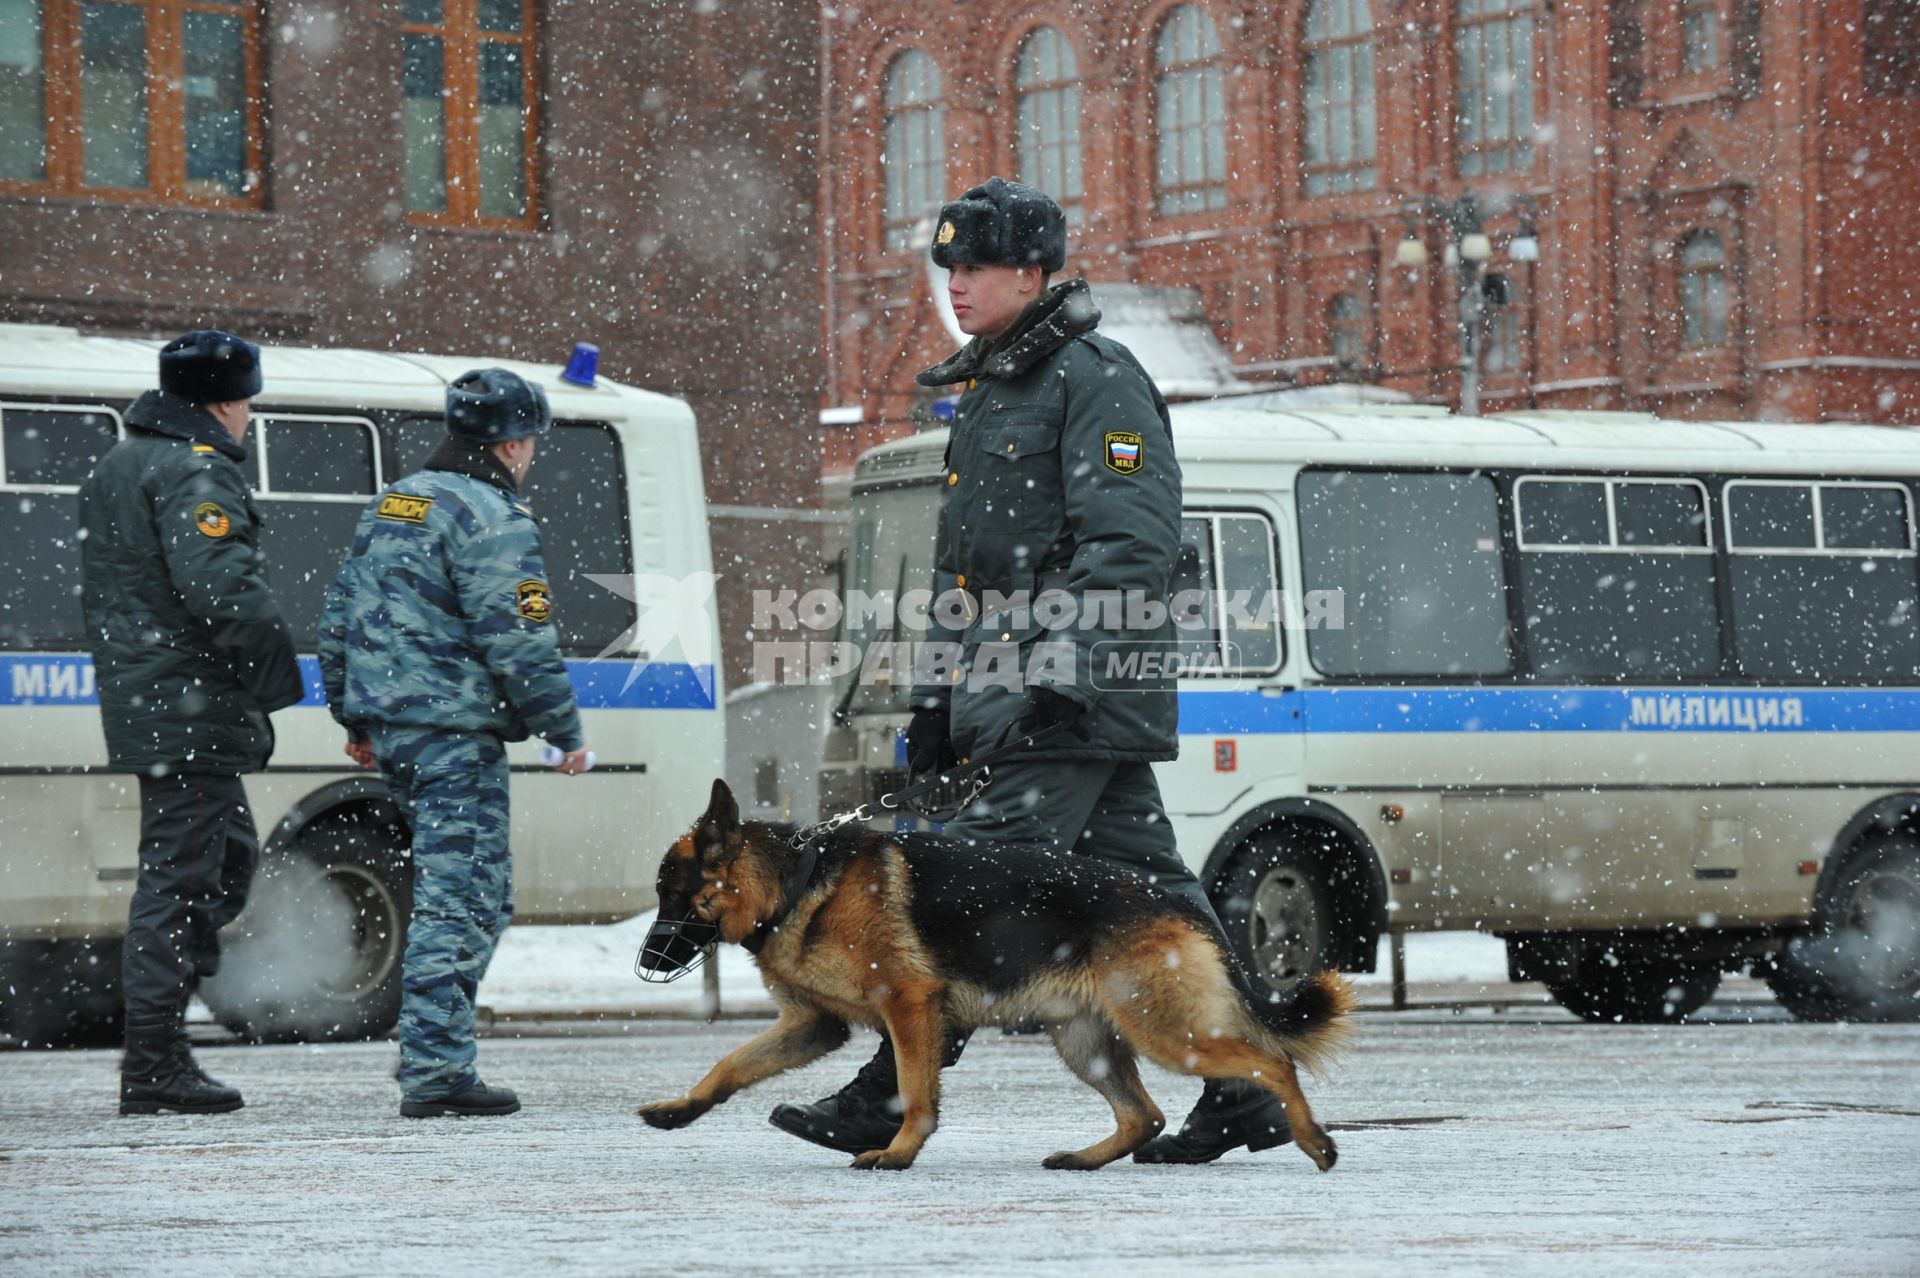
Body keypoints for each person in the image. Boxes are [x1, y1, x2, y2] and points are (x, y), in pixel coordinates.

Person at [767, 176, 1292, 1164]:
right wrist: (935, 697)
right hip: (1021, 693)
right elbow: (970, 574)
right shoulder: (993, 390)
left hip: (1069, 693)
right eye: (948, 267)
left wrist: (1066, 661)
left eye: (976, 266)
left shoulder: (1096, 378)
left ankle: (889, 1095)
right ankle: (1245, 1087)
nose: (955, 285)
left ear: (1034, 272)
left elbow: (1130, 541)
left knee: (968, 889)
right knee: (1157, 893)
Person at [317, 367, 589, 1119]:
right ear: (515, 443)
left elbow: (339, 616)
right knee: (462, 895)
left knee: (472, 892)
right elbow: (521, 639)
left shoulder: (393, 503)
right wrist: (563, 730)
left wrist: (357, 720)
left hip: (398, 730)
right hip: (454, 737)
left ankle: (429, 1043)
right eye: (532, 441)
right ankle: (435, 1069)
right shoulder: (493, 517)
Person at [81, 330, 304, 1115]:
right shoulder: (194, 468)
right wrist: (284, 681)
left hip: (158, 700)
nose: (248, 418)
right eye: (246, 402)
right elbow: (222, 589)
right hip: (189, 708)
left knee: (226, 861)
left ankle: (159, 1026)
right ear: (219, 401)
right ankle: (155, 1062)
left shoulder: (120, 461)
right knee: (181, 884)